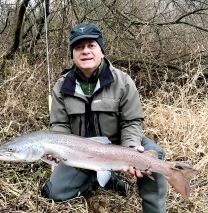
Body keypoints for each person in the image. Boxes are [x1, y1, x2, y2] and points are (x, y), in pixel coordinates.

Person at [41, 23, 167, 213]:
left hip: (118, 145)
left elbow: (132, 121)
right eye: (78, 47)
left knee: (155, 156)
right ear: (73, 54)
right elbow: (59, 124)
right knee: (54, 194)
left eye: (91, 45)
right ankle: (98, 177)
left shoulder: (123, 81)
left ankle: (154, 209)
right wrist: (56, 149)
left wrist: (131, 147)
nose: (85, 51)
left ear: (101, 50)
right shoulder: (61, 86)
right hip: (79, 150)